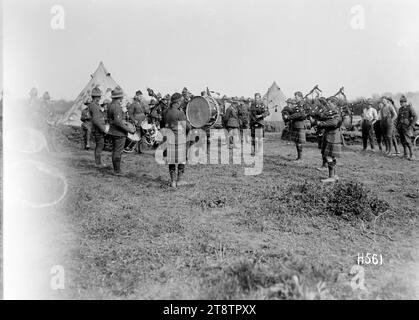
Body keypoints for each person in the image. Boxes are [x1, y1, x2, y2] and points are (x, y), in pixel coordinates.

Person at [163, 93, 190, 188]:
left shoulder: (165, 112)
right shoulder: (180, 113)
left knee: (171, 160)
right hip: (179, 139)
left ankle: (173, 181)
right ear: (178, 102)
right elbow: (187, 127)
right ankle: (180, 180)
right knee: (181, 160)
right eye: (181, 101)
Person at [107, 86, 136, 175]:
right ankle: (117, 171)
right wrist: (129, 130)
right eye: (122, 96)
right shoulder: (117, 106)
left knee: (115, 151)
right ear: (119, 97)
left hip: (112, 131)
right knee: (118, 151)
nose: (123, 97)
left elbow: (114, 120)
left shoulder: (110, 104)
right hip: (118, 133)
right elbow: (117, 122)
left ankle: (116, 169)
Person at [314, 99, 343, 183]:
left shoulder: (336, 113)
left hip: (333, 137)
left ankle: (331, 177)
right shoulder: (331, 113)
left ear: (334, 104)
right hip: (330, 136)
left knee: (328, 156)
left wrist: (320, 123)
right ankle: (334, 175)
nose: (328, 105)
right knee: (331, 156)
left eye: (330, 104)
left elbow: (333, 123)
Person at [88, 87, 110, 168]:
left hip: (97, 128)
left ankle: (98, 162)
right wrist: (103, 129)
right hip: (98, 129)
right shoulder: (94, 106)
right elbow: (96, 120)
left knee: (99, 146)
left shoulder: (94, 105)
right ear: (96, 97)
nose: (100, 98)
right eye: (99, 96)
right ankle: (98, 163)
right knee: (100, 145)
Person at [396, 95, 417, 160]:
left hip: (407, 127)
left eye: (402, 102)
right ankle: (405, 154)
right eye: (400, 102)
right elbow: (398, 118)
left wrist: (411, 125)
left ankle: (412, 155)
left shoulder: (409, 108)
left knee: (408, 141)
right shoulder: (400, 109)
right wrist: (397, 126)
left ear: (405, 102)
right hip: (401, 127)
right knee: (403, 141)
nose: (401, 103)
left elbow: (415, 116)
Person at [287, 92, 307, 162]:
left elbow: (300, 114)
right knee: (297, 142)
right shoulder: (297, 105)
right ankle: (299, 158)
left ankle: (300, 158)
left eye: (296, 97)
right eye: (295, 97)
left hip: (299, 125)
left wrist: (290, 117)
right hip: (296, 125)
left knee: (299, 142)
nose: (295, 98)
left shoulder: (302, 104)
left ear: (300, 97)